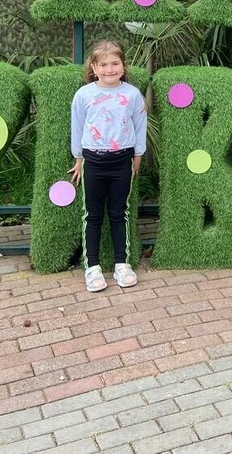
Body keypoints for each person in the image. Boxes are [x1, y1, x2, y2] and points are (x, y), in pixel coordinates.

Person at [69, 40, 147, 292]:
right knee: (92, 215)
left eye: (115, 63)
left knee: (118, 213)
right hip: (93, 161)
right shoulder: (84, 95)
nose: (110, 69)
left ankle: (121, 264)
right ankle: (92, 267)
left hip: (122, 161)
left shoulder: (132, 95)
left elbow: (139, 127)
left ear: (123, 66)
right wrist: (79, 159)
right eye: (103, 64)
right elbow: (77, 127)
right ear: (94, 67)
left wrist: (137, 156)